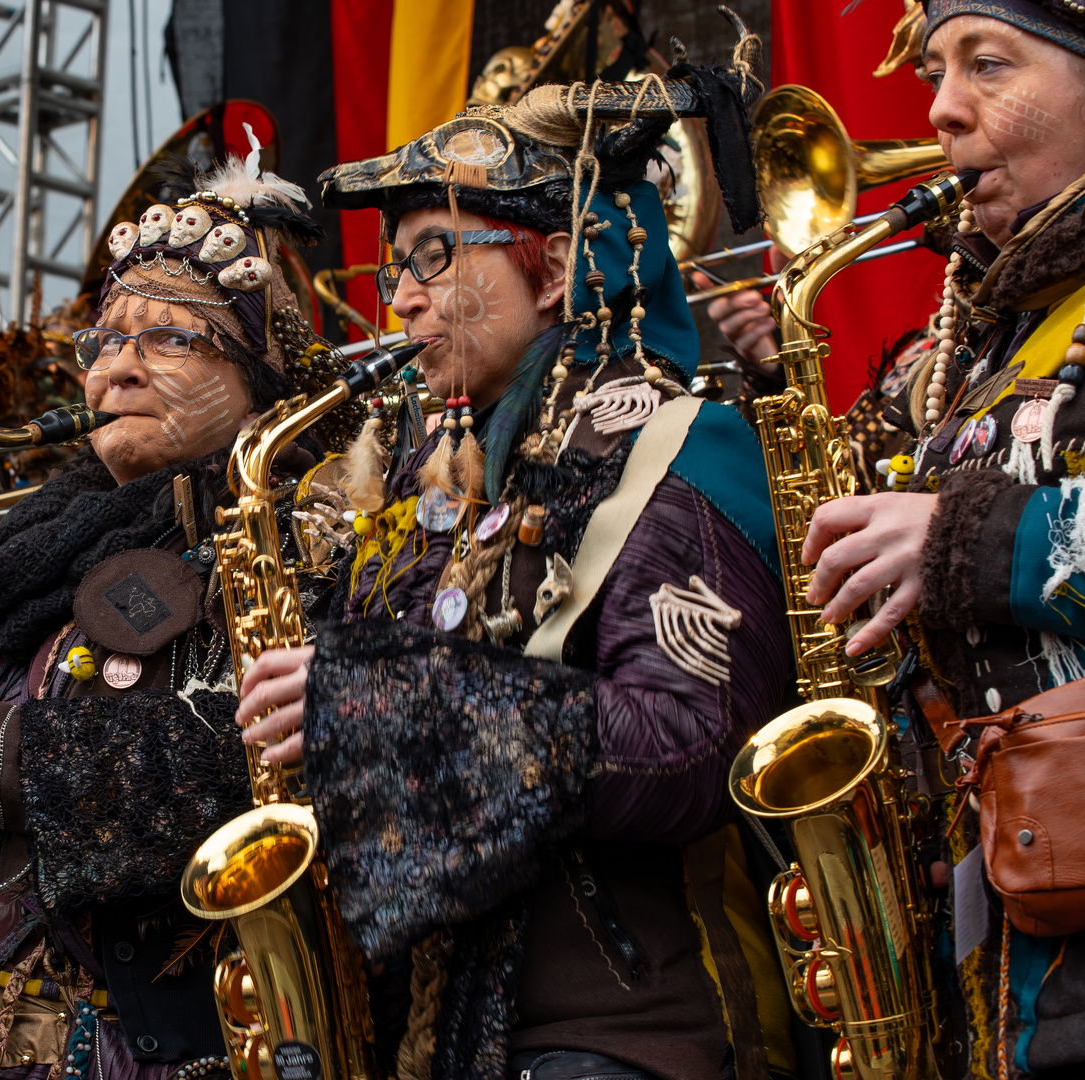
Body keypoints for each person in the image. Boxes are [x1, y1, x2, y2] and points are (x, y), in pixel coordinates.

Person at [231, 34, 803, 1080]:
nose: (400, 296)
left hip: (620, 1039)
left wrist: (375, 700)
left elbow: (689, 748)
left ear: (552, 270)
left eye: (436, 254)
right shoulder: (427, 474)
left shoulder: (679, 439)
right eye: (398, 261)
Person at [0, 151, 339, 1078]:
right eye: (107, 339)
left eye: (167, 340)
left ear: (259, 380)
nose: (118, 367)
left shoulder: (296, 539)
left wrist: (4, 757)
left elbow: (261, 772)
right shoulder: (30, 547)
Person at [793, 2, 1085, 1075]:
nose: (940, 110)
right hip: (1018, 984)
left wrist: (966, 534)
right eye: (937, 69)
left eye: (990, 65)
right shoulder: (993, 328)